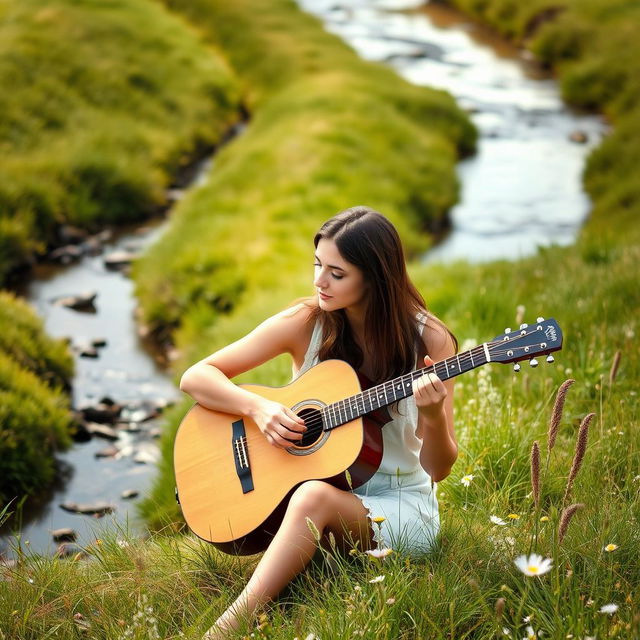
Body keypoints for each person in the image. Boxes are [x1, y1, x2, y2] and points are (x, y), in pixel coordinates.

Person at [179, 206, 459, 639]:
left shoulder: (430, 340)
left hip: (402, 506)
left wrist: (433, 415)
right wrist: (259, 408)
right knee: (312, 493)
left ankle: (225, 629)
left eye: (336, 272)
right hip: (316, 486)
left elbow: (439, 469)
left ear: (376, 277)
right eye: (317, 265)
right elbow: (196, 376)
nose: (319, 282)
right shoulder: (307, 322)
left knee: (313, 497)